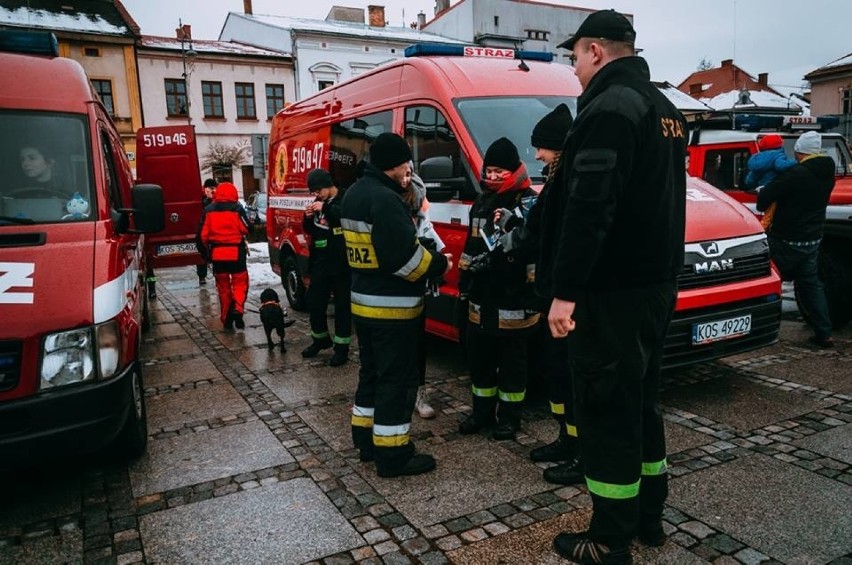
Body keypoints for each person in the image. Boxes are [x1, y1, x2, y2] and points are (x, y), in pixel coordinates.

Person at [542, 10, 687, 563]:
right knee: (642, 404)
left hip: (610, 294)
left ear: (596, 51)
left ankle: (609, 537)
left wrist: (566, 289)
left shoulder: (609, 108)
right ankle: (649, 518)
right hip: (654, 288)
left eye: (575, 55)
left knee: (606, 411)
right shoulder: (664, 108)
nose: (574, 67)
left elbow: (590, 207)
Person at [342, 132, 451, 478]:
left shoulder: (354, 194)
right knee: (396, 382)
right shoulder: (385, 200)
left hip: (364, 304)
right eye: (406, 162)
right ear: (395, 163)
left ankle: (366, 441)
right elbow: (406, 262)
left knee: (371, 375)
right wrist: (438, 264)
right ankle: (393, 455)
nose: (409, 169)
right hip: (393, 310)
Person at [495, 104, 583, 483]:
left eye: (542, 148)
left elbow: (545, 233)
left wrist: (512, 241)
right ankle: (566, 438)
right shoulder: (559, 179)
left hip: (567, 299)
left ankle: (582, 451)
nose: (536, 155)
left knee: (570, 375)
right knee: (556, 373)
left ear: (558, 148)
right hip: (552, 295)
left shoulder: (567, 181)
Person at [457, 137, 540, 441]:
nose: (491, 177)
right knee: (480, 363)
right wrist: (465, 283)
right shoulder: (481, 202)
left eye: (499, 172)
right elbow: (470, 246)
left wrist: (533, 294)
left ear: (515, 171)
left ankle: (509, 419)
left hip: (515, 301)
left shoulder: (528, 202)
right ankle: (481, 413)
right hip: (482, 299)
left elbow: (535, 254)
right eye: (488, 170)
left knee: (512, 368)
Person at [757, 130, 835, 348]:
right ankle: (824, 332)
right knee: (811, 285)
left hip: (785, 240)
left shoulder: (795, 174)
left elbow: (763, 200)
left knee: (768, 282)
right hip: (812, 239)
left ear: (800, 151)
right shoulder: (828, 174)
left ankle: (762, 331)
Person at [401, 166, 444, 419]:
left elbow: (434, 242)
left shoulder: (420, 216)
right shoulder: (389, 211)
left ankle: (418, 392)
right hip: (393, 292)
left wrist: (438, 260)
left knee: (418, 343)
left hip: (416, 290)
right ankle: (397, 393)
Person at [301, 168, 352, 367]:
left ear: (328, 186)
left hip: (341, 262)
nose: (316, 195)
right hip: (321, 261)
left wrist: (324, 208)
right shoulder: (320, 203)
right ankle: (320, 340)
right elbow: (312, 229)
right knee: (314, 302)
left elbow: (343, 216)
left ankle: (341, 348)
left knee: (342, 307)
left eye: (318, 190)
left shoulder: (345, 197)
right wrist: (307, 217)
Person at [198, 182, 251, 331]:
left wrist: (206, 255)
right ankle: (238, 308)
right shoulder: (237, 208)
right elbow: (247, 228)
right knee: (240, 283)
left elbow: (202, 236)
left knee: (223, 288)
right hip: (236, 253)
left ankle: (226, 318)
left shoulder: (208, 210)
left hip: (218, 254)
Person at [744, 134, 797, 230]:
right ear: (780, 145)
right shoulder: (777, 155)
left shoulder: (756, 159)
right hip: (773, 188)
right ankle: (762, 230)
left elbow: (750, 179)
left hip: (761, 189)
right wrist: (796, 162)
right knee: (770, 213)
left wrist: (749, 185)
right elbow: (780, 166)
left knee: (767, 210)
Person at [196, 178, 217, 286]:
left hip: (214, 232)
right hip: (205, 230)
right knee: (203, 255)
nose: (212, 191)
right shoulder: (201, 201)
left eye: (214, 188)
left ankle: (215, 274)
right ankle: (202, 276)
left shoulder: (218, 200)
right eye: (210, 188)